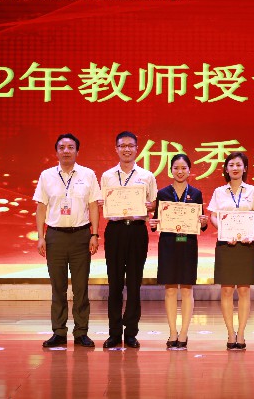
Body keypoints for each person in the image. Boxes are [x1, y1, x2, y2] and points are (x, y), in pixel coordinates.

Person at [33, 133, 101, 348]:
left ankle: (81, 332)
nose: (66, 151)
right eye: (62, 147)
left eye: (71, 147)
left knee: (81, 288)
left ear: (77, 151)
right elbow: (41, 207)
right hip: (55, 236)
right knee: (58, 287)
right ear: (56, 152)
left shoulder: (88, 174)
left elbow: (93, 206)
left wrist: (94, 234)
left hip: (81, 235)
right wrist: (40, 237)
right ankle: (59, 332)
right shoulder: (46, 176)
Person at [99, 131, 158, 349]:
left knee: (134, 283)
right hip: (115, 230)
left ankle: (131, 332)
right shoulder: (107, 176)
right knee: (114, 283)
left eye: (130, 146)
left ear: (136, 149)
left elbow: (154, 203)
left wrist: (151, 206)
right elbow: (102, 202)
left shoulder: (147, 176)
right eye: (122, 146)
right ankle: (114, 333)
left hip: (136, 231)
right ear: (116, 149)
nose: (126, 149)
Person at [149, 153, 208, 350]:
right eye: (176, 168)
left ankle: (183, 332)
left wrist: (203, 222)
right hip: (168, 244)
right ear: (171, 170)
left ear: (189, 171)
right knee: (170, 289)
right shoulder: (163, 193)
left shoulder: (196, 193)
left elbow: (202, 223)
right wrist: (153, 223)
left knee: (187, 289)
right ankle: (172, 332)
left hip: (188, 244)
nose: (180, 171)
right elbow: (156, 221)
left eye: (184, 168)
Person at [208, 152, 254, 350]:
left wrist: (252, 233)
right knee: (226, 290)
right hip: (226, 245)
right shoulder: (219, 192)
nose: (235, 168)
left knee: (244, 290)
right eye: (231, 165)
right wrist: (223, 230)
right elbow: (213, 216)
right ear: (226, 169)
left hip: (246, 246)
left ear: (245, 168)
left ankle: (242, 333)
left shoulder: (253, 191)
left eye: (239, 165)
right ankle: (231, 333)